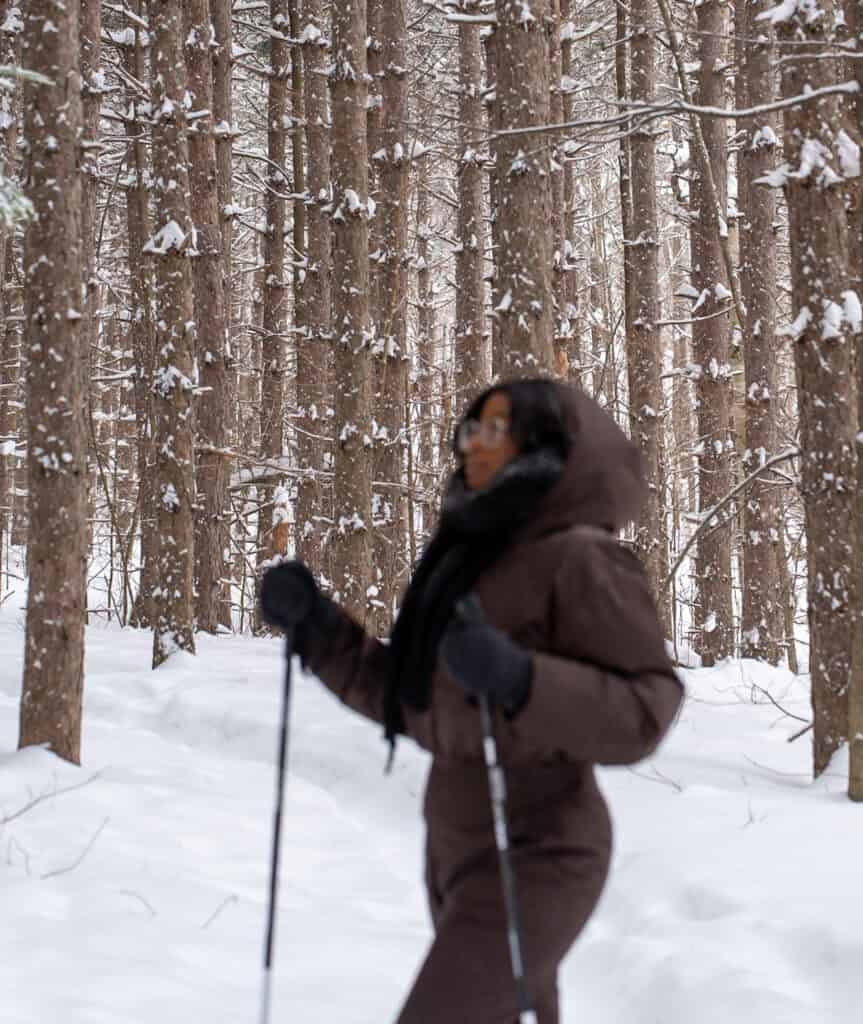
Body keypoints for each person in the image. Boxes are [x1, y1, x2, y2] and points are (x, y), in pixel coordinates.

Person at [260, 379, 684, 1023]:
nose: (475, 444)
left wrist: (521, 679)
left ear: (542, 446)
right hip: (458, 854)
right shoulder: (464, 560)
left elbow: (645, 709)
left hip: (542, 851)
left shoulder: (582, 558)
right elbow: (410, 701)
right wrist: (318, 628)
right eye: (471, 429)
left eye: (497, 430)